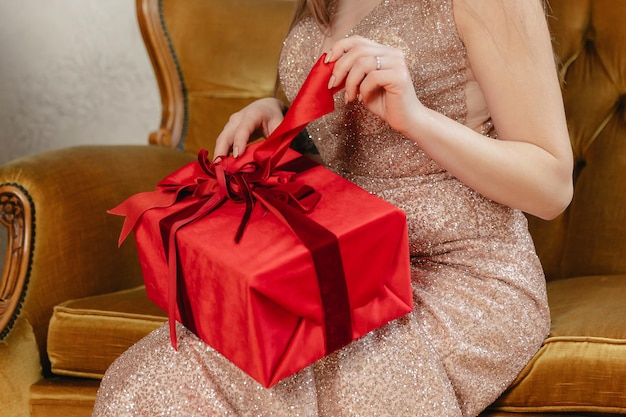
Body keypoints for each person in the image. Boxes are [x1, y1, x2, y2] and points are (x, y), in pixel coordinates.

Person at [93, 0, 573, 416]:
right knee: (157, 376)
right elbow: (347, 149)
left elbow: (551, 186)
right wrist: (281, 124)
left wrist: (418, 120)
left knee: (330, 377)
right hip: (340, 271)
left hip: (464, 275)